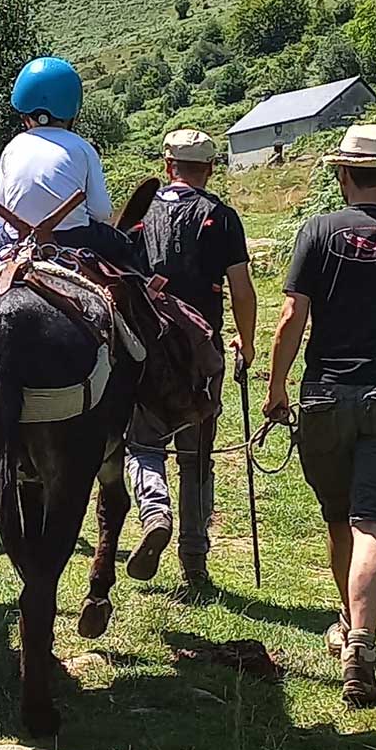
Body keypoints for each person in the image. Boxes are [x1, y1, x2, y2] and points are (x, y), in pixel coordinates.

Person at [263, 123, 376, 708]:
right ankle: (362, 644)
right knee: (375, 523)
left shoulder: (316, 231)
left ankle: (347, 625)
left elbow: (293, 317)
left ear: (342, 174)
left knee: (339, 517)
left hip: (326, 393)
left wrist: (276, 388)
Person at [122, 129, 256, 586]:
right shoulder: (220, 217)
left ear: (167, 166)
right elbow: (241, 288)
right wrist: (247, 341)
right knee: (197, 454)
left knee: (143, 443)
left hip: (148, 347)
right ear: (210, 169)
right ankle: (194, 560)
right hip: (203, 346)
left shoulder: (140, 215)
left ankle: (155, 512)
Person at [0, 56, 136, 268]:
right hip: (74, 238)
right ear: (72, 110)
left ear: (23, 111)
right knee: (128, 259)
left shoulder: (12, 147)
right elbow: (101, 211)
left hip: (16, 239)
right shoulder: (82, 147)